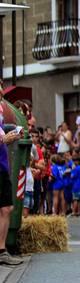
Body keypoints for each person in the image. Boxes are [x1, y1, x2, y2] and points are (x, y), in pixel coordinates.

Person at [0, 88, 23, 264]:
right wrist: (3, 139)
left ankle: (2, 252)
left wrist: (13, 134)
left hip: (2, 165)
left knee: (7, 208)